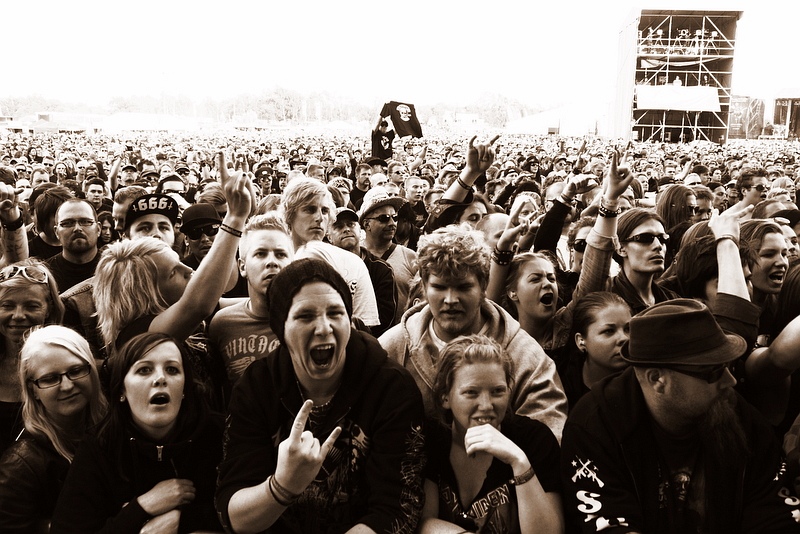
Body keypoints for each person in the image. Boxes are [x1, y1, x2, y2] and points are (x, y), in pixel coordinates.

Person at [216, 258, 426, 533]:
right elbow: (235, 516)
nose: (324, 327)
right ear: (281, 328)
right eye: (306, 316)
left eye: (336, 313)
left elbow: (398, 510)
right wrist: (283, 486)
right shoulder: (256, 387)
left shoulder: (391, 387)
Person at [560, 299, 800, 533]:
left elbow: (775, 512)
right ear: (657, 380)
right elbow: (610, 524)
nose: (731, 381)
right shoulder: (595, 427)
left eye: (727, 366)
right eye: (713, 372)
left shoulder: (736, 414)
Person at [379, 225, 568, 440]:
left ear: (484, 285)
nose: (451, 300)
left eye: (463, 287)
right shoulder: (393, 347)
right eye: (440, 287)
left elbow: (549, 437)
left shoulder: (524, 355)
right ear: (424, 286)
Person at [51, 332, 224, 533]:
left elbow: (251, 517)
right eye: (144, 370)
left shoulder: (220, 433)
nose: (160, 378)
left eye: (172, 369)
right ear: (122, 391)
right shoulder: (100, 446)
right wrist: (141, 508)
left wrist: (183, 521)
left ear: (185, 387)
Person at [420, 334, 563, 533]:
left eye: (497, 391)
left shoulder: (535, 439)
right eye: (471, 392)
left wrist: (519, 463)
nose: (487, 405)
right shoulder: (431, 438)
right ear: (445, 396)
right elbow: (422, 523)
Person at [0, 325, 107, 533]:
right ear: (33, 390)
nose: (67, 386)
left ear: (92, 370)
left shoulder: (117, 429)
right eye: (50, 378)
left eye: (75, 371)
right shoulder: (20, 467)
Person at [281, 177, 380, 330]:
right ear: (290, 214)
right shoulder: (275, 261)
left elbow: (364, 329)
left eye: (325, 211)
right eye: (309, 209)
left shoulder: (353, 263)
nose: (319, 218)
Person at [208, 213, 292, 386]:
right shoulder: (222, 325)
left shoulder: (309, 321)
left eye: (281, 254)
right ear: (242, 266)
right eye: (261, 254)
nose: (272, 262)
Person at [0, 260, 64, 454]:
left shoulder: (67, 365)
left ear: (49, 309)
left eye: (32, 306)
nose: (18, 315)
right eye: (7, 305)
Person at [45, 199, 102, 292]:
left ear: (98, 229)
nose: (77, 228)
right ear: (56, 232)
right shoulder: (46, 275)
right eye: (67, 223)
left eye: (85, 222)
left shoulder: (115, 269)